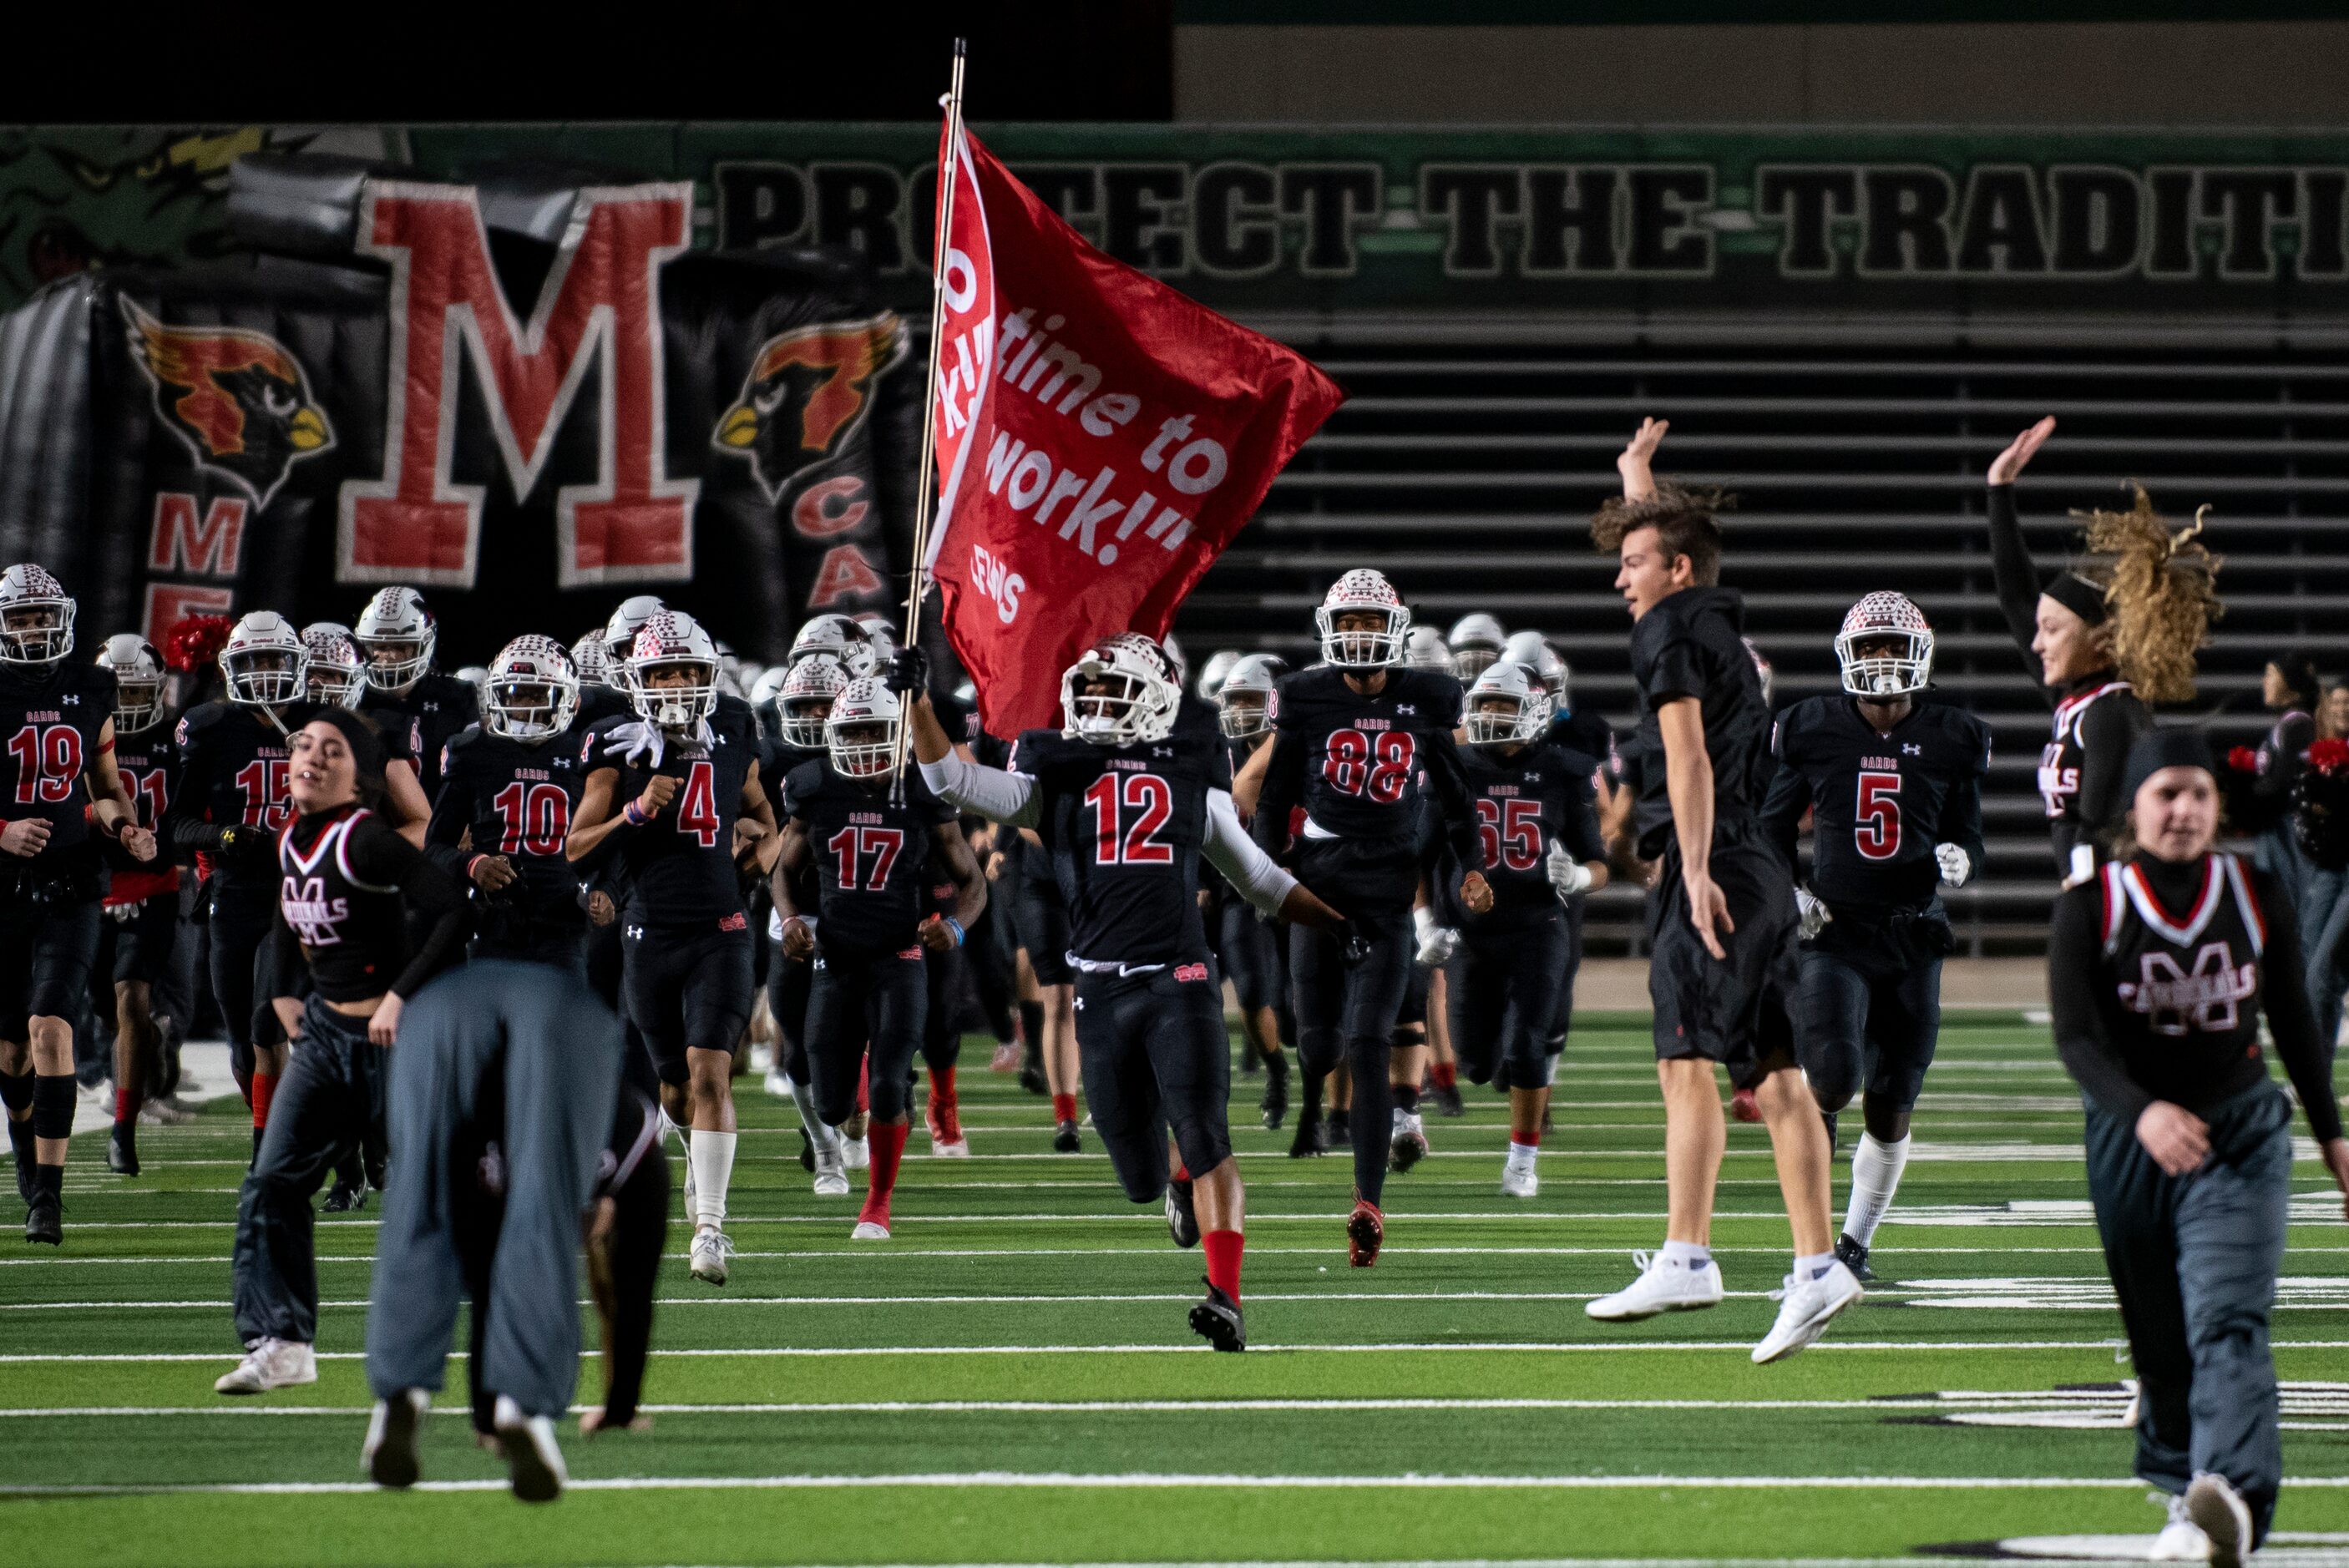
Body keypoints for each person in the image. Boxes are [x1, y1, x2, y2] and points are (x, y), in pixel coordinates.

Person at [908, 636, 1351, 1348]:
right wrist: (921, 705)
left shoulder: (1191, 777)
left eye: (1113, 692)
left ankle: (1227, 1296)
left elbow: (1260, 879)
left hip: (1180, 979)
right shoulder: (1059, 774)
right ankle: (1173, 1180)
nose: (1096, 705)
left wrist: (1336, 924)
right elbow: (951, 784)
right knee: (1140, 1177)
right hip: (1100, 991)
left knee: (1207, 1134)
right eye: (1090, 692)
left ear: (1154, 700)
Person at [1582, 419, 1860, 1363]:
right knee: (1775, 1078)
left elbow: (1686, 756)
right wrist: (1638, 477)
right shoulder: (1721, 631)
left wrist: (1691, 871)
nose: (1620, 579)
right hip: (1764, 867)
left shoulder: (1667, 627)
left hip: (1720, 864)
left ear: (1679, 571)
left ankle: (1688, 1253)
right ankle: (1819, 1269)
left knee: (1682, 1059)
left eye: (1633, 560)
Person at [2050, 730, 2349, 1567]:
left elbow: (2292, 1015)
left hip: (2237, 1134)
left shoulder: (2251, 888)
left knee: (2225, 1316)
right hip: (2129, 1141)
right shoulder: (2089, 904)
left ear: (2216, 808)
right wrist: (2141, 1112)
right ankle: (2184, 1493)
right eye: (2163, 794)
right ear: (2132, 809)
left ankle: (2236, 1492)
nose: (2180, 810)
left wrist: (2330, 1133)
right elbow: (2075, 1041)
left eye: (2196, 794)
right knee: (2157, 1338)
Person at [214, 711, 469, 1393]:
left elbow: (452, 907)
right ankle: (282, 1341)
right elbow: (283, 929)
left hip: (397, 1044)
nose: (311, 758)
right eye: (303, 746)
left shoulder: (369, 841)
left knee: (444, 1194)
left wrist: (400, 996)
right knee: (271, 1184)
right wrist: (285, 1004)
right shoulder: (289, 839)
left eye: (331, 750)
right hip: (328, 1040)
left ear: (358, 775)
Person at [1252, 569, 1491, 1265]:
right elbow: (1271, 801)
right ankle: (1313, 1101)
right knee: (1318, 1044)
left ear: (1394, 631)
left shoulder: (1427, 697)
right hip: (1319, 887)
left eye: (1368, 622)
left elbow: (1454, 798)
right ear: (1329, 628)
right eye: (1346, 622)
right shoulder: (1303, 697)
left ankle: (1367, 1204)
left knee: (1366, 1041)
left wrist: (1472, 865)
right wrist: (1268, 872)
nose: (1357, 635)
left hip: (1387, 888)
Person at [1758, 592, 1991, 1281]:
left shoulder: (1952, 734)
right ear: (1847, 656)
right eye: (1871, 648)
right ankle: (1814, 1239)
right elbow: (1770, 830)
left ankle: (1852, 1245)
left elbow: (1968, 832)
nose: (1884, 662)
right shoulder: (1811, 727)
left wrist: (1963, 857)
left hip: (1914, 935)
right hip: (1833, 930)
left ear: (1919, 655)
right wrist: (1791, 893)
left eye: (1895, 647)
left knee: (1893, 1101)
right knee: (1829, 1078)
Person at [360, 958, 625, 1501]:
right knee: (542, 1215)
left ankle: (399, 1399)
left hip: (436, 1001)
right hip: (561, 1000)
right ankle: (522, 1410)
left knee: (420, 1203)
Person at [567, 609, 779, 1287]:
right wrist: (633, 813)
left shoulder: (734, 729)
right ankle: (696, 1160)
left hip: (720, 929)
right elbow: (573, 847)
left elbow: (765, 818)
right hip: (646, 932)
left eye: (689, 669)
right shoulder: (615, 745)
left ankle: (710, 1227)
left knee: (712, 1073)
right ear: (639, 677)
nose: (679, 682)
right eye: (664, 671)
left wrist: (751, 859)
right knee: (672, 1089)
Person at [772, 676, 985, 1239]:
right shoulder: (813, 786)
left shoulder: (922, 791)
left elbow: (973, 880)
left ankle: (877, 1205)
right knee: (831, 1102)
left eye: (875, 729)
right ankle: (856, 1123)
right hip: (835, 958)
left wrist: (957, 929)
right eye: (854, 730)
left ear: (897, 734)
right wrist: (792, 919)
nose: (864, 741)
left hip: (899, 955)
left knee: (890, 1082)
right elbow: (783, 871)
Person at [1987, 418, 2219, 889]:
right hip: (2095, 888)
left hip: (2110, 893)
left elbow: (2100, 827)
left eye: (2052, 630)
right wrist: (1999, 489)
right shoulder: (2078, 700)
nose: (2037, 643)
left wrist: (2085, 902)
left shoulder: (2112, 711)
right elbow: (2016, 603)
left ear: (2100, 638)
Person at [0, 568, 154, 1243]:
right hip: (1, 888)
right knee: (11, 1056)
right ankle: (27, 1152)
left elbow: (105, 783)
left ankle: (49, 1199)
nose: (34, 629)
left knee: (51, 1030)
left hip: (70, 883)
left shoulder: (92, 686)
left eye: (43, 617)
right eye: (22, 618)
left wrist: (125, 826)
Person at [1423, 660, 1608, 1196]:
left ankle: (1522, 1166)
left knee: (1526, 1047)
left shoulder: (1564, 769)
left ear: (1533, 712)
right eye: (1483, 704)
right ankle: (1503, 1069)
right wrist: (1422, 923)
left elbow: (1599, 864)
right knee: (1477, 1062)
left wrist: (1576, 876)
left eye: (1503, 705)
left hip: (1538, 926)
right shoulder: (1454, 764)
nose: (1491, 715)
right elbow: (1421, 854)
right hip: (1470, 933)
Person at [428, 637, 592, 971]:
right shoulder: (472, 750)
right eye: (515, 694)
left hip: (567, 925)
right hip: (492, 923)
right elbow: (434, 847)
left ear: (568, 699)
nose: (525, 707)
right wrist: (475, 865)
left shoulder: (587, 754)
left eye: (537, 695)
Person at [757, 651, 854, 1191]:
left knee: (849, 1037)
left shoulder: (874, 753)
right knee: (795, 1039)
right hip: (789, 912)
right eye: (806, 706)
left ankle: (851, 1124)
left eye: (826, 705)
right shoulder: (771, 759)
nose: (816, 716)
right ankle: (823, 1145)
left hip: (859, 917)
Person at [92, 635, 180, 1178]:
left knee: (130, 1000)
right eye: (117, 692)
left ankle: (122, 1135)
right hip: (90, 887)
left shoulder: (180, 737)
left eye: (137, 691)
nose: (126, 703)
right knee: (112, 1014)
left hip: (152, 885)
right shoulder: (79, 735)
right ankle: (152, 1044)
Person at [1213, 654, 1294, 1132]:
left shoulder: (1303, 746)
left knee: (1295, 1008)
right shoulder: (1217, 752)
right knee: (1248, 987)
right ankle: (1278, 1076)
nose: (1241, 709)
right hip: (1239, 886)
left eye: (1250, 698)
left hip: (1298, 883)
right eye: (1235, 699)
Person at [353, 586, 479, 802]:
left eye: (401, 647)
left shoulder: (456, 697)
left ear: (425, 645)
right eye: (379, 647)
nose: (387, 656)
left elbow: (472, 777)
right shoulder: (354, 697)